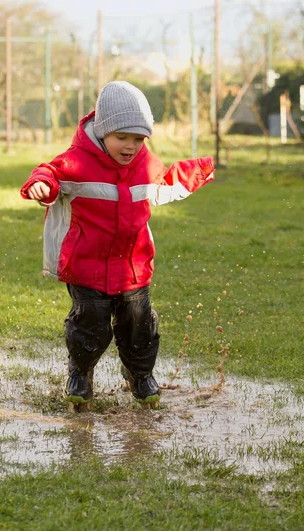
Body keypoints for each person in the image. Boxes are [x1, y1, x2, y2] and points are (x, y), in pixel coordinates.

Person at [20, 81, 214, 408]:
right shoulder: (77, 162)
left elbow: (167, 181)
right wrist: (41, 184)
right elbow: (49, 174)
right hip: (85, 266)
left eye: (138, 138)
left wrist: (202, 169)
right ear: (103, 131)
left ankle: (140, 375)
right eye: (121, 137)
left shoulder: (146, 164)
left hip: (134, 266)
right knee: (90, 323)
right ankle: (80, 374)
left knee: (139, 323)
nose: (130, 146)